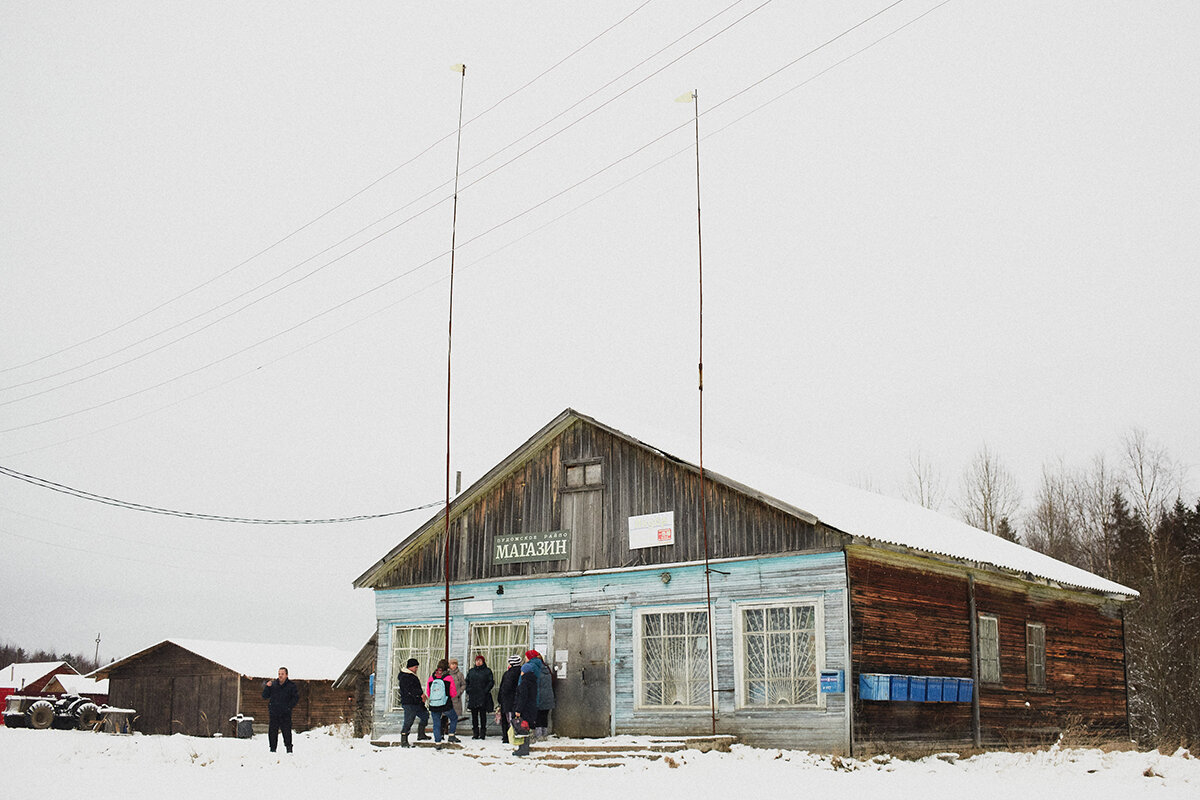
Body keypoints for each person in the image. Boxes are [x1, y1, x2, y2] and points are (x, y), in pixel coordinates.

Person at [261, 666, 299, 754]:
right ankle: (272, 749)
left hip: (285, 714)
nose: (280, 676)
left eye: (282, 674)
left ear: (286, 675)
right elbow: (265, 696)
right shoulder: (273, 685)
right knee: (272, 732)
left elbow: (295, 698)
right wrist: (267, 687)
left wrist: (288, 707)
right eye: (279, 674)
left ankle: (289, 750)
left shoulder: (291, 686)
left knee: (286, 732)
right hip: (274, 713)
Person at [511, 650, 541, 756]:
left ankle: (522, 749)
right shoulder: (533, 682)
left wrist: (518, 710)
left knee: (522, 729)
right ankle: (525, 748)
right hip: (531, 708)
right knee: (526, 728)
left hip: (525, 709)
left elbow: (522, 698)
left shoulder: (524, 683)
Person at [396, 657, 430, 747]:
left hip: (417, 702)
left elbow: (415, 689)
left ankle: (421, 734)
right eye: (415, 667)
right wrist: (420, 695)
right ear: (410, 667)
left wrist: (421, 695)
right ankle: (404, 740)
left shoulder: (411, 675)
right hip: (409, 702)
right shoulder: (405, 676)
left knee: (425, 715)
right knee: (408, 721)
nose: (417, 669)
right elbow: (409, 690)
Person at [426, 658, 460, 746]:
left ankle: (437, 742)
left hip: (434, 704)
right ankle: (451, 735)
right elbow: (453, 693)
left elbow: (428, 693)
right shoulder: (448, 677)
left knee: (436, 723)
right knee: (454, 718)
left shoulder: (431, 678)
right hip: (445, 704)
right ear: (447, 667)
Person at [465, 654, 495, 740]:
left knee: (483, 715)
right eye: (477, 660)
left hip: (483, 696)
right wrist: (468, 689)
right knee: (474, 715)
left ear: (483, 662)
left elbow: (491, 682)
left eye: (480, 661)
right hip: (473, 696)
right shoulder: (471, 671)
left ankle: (483, 733)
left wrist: (485, 690)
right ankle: (475, 733)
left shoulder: (487, 671)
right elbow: (467, 681)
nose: (478, 662)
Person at [495, 654, 522, 744]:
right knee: (516, 719)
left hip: (508, 701)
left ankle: (507, 737)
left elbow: (505, 688)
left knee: (508, 720)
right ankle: (515, 735)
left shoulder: (509, 674)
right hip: (518, 700)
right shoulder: (522, 672)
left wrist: (500, 699)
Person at [534, 650, 555, 738]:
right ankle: (544, 734)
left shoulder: (535, 670)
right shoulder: (547, 669)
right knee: (544, 716)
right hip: (548, 697)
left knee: (537, 716)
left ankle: (538, 735)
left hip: (538, 697)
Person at [446, 657, 465, 736]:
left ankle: (452, 732)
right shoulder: (446, 674)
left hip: (456, 698)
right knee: (445, 715)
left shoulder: (459, 674)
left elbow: (463, 684)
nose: (453, 666)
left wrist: (459, 692)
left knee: (454, 716)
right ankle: (443, 732)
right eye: (452, 664)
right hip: (447, 698)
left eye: (455, 664)